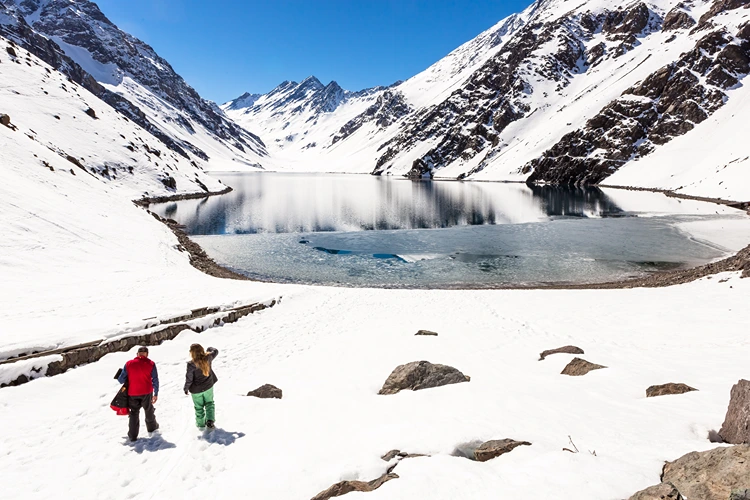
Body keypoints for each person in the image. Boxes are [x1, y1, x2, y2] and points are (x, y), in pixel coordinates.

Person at [117, 346, 160, 441]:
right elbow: (155, 379)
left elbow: (121, 380)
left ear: (137, 354)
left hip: (133, 392)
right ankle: (152, 429)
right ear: (147, 354)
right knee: (148, 410)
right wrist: (156, 393)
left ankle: (132, 435)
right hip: (147, 392)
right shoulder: (151, 364)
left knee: (134, 413)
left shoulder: (129, 364)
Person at [184, 344, 219, 429]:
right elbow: (216, 351)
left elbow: (189, 379)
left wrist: (186, 388)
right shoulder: (208, 357)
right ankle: (210, 421)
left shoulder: (191, 364)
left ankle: (200, 425)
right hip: (208, 386)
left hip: (196, 390)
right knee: (209, 403)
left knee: (199, 408)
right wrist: (209, 349)